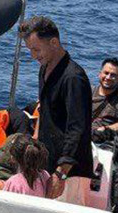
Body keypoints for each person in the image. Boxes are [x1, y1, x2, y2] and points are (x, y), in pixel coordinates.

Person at [20, 16, 93, 184]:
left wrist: (60, 173)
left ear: (54, 42)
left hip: (69, 171)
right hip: (48, 160)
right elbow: (44, 109)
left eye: (36, 50)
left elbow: (78, 128)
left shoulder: (74, 78)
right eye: (30, 50)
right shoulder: (44, 69)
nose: (33, 56)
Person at [91, 57, 118, 144]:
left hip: (104, 139)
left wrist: (105, 129)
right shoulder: (88, 91)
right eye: (106, 73)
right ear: (100, 74)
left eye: (113, 75)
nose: (108, 77)